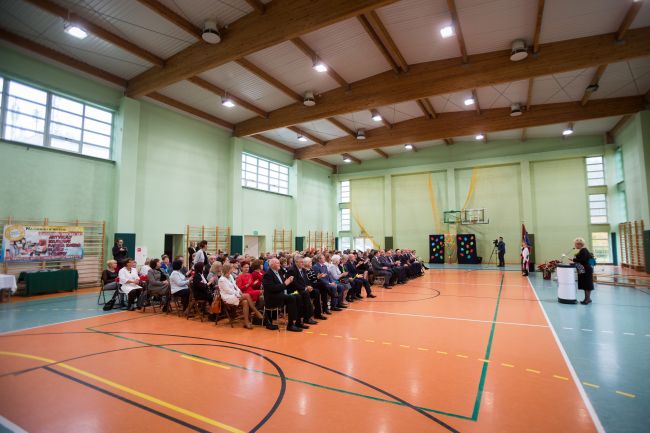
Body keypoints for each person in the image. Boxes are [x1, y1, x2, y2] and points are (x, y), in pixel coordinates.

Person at [218, 263, 263, 329]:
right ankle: (256, 311)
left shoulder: (230, 276)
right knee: (247, 295)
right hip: (228, 297)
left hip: (235, 295)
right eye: (231, 268)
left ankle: (246, 322)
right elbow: (228, 291)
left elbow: (236, 286)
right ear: (227, 269)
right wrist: (239, 294)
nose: (232, 270)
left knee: (245, 302)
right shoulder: (221, 280)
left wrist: (240, 292)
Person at [262, 258, 302, 332]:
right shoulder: (268, 274)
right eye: (277, 263)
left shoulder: (279, 272)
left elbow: (284, 284)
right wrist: (285, 283)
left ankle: (298, 321)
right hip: (272, 297)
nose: (279, 264)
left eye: (279, 263)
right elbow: (272, 288)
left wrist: (289, 281)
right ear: (272, 265)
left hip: (281, 294)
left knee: (298, 296)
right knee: (291, 298)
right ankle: (290, 325)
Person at [287, 255, 317, 326]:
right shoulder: (292, 270)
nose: (303, 263)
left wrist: (308, 286)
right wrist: (305, 288)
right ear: (296, 262)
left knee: (316, 292)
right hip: (293, 290)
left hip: (301, 289)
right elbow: (294, 284)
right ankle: (306, 318)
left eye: (303, 262)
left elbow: (306, 281)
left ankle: (315, 314)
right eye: (301, 262)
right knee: (305, 294)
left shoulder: (303, 270)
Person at [570, 237, 595, 305]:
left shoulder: (583, 250)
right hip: (584, 269)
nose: (575, 245)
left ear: (579, 244)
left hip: (585, 269)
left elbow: (583, 260)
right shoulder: (583, 250)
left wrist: (573, 260)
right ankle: (587, 298)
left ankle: (587, 300)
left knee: (587, 285)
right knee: (585, 284)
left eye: (576, 244)